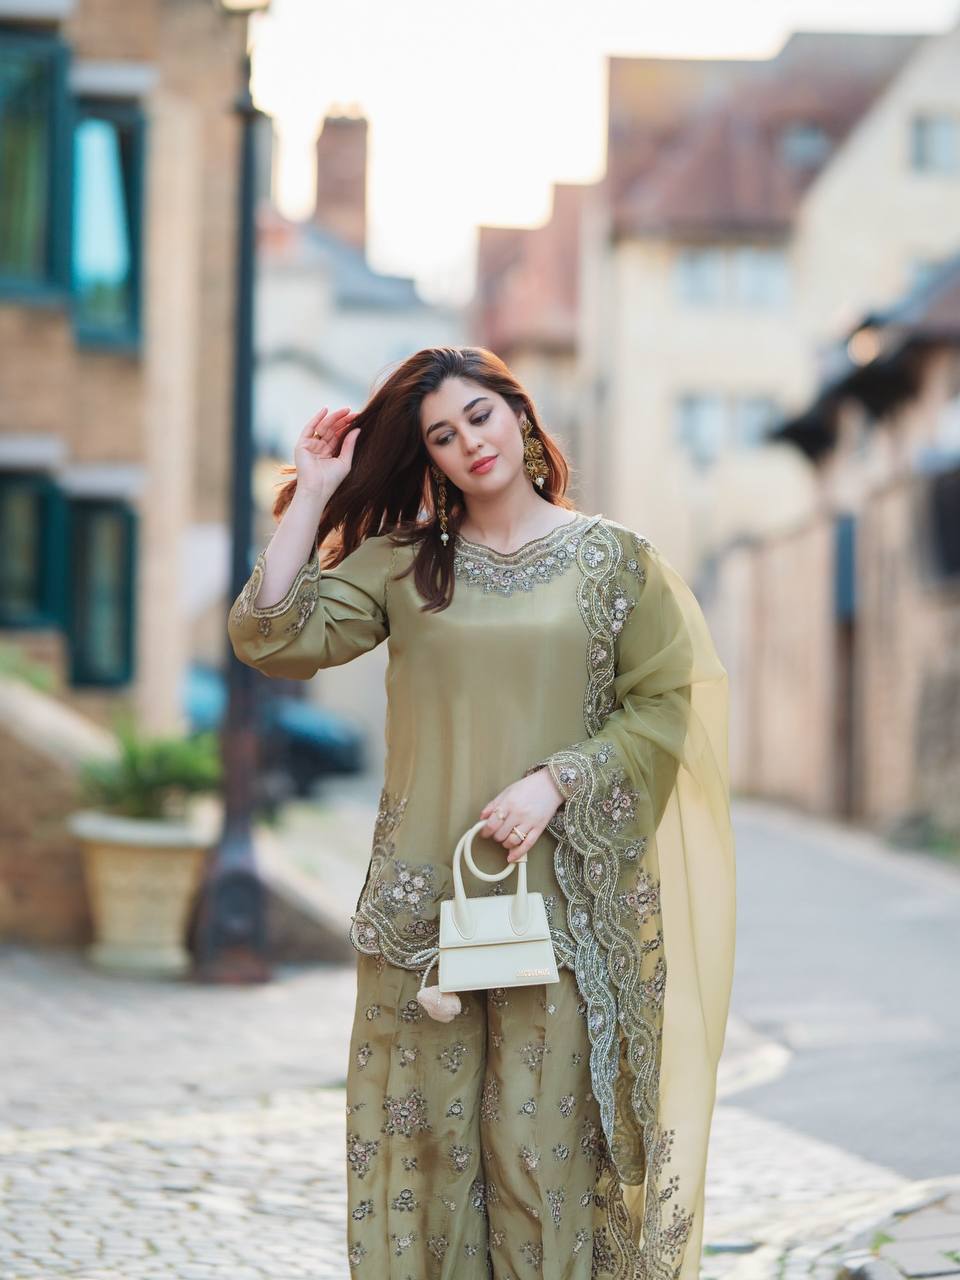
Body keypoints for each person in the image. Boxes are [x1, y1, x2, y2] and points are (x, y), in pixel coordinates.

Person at [227, 346, 736, 1280]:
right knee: (421, 1155)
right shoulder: (405, 566)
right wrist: (313, 496)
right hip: (425, 919)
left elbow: (668, 705)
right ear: (428, 458)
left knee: (543, 1157)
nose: (469, 443)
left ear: (520, 414)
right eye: (442, 436)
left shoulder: (615, 561)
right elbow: (273, 636)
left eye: (480, 416)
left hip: (566, 912)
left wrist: (561, 782)